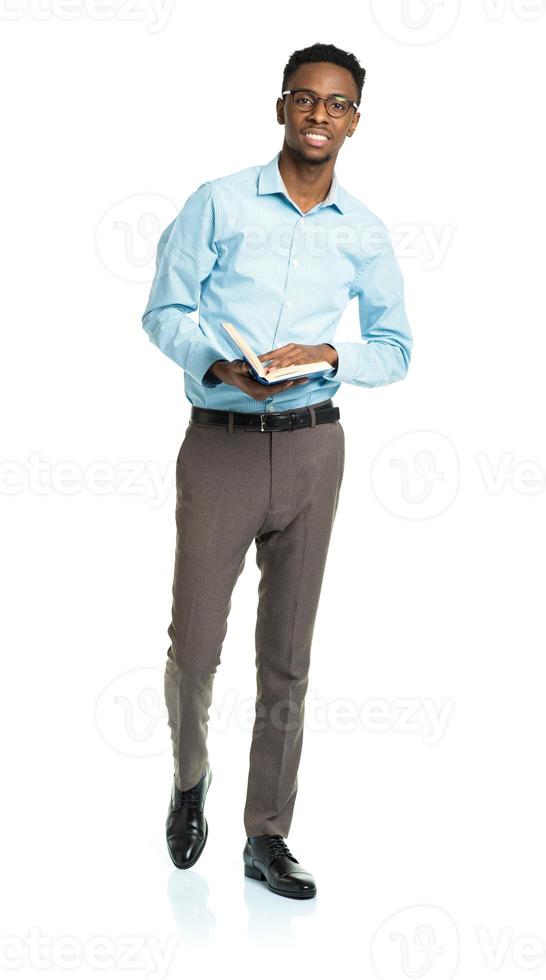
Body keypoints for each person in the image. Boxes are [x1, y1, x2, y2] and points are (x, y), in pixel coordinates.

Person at [141, 41, 413, 900]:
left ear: (356, 120)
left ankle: (269, 833)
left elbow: (397, 348)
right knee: (196, 643)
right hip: (220, 440)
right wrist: (217, 365)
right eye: (305, 99)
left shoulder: (363, 231)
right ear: (281, 107)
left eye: (337, 104)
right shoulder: (216, 203)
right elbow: (163, 312)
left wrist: (332, 351)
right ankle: (191, 780)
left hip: (311, 448)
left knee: (287, 657)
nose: (320, 115)